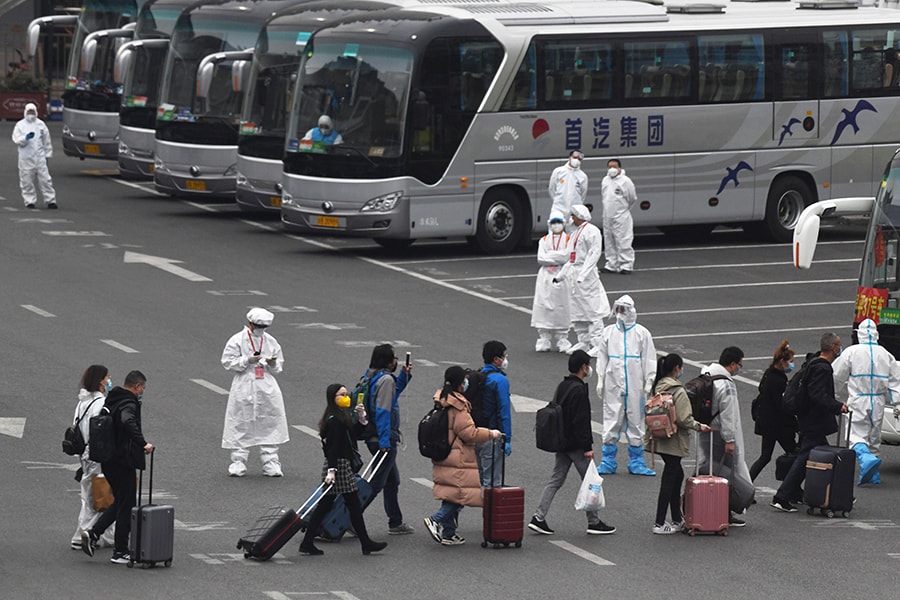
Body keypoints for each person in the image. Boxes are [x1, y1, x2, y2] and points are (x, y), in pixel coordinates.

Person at [527, 350, 616, 536]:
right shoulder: (579, 389)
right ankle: (594, 521)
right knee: (591, 481)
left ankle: (538, 516)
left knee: (555, 480)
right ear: (584, 367)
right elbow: (581, 422)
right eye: (588, 365)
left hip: (561, 442)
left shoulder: (563, 385)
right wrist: (587, 448)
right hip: (575, 445)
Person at [298, 384, 387, 556]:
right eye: (342, 394)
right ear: (333, 398)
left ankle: (308, 542)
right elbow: (333, 448)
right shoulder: (334, 420)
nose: (346, 397)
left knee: (331, 505)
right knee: (350, 505)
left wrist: (362, 418)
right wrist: (332, 470)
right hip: (339, 466)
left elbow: (352, 435)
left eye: (347, 394)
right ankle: (365, 543)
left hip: (339, 465)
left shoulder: (339, 416)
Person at [423, 366, 503, 546]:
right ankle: (436, 520)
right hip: (458, 456)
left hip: (445, 453)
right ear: (461, 382)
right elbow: (470, 433)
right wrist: (491, 433)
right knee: (459, 495)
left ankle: (449, 533)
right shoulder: (458, 407)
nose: (467, 382)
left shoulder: (442, 399)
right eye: (465, 379)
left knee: (451, 492)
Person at [771, 333, 849, 512]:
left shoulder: (813, 363)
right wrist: (838, 406)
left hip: (808, 419)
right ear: (833, 348)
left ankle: (836, 495)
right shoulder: (822, 368)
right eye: (839, 345)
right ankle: (782, 496)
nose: (840, 348)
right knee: (806, 458)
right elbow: (818, 395)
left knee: (816, 456)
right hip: (814, 421)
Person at [81, 370, 153, 564]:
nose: (142, 392)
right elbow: (127, 421)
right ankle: (121, 551)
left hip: (108, 458)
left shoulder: (112, 399)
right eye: (142, 388)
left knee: (121, 501)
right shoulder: (129, 402)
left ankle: (93, 533)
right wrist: (143, 443)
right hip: (123, 460)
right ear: (137, 386)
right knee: (127, 504)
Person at [645, 354, 711, 534]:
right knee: (669, 479)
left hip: (659, 437)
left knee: (676, 475)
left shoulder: (658, 386)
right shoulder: (677, 390)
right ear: (676, 368)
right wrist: (699, 426)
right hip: (673, 440)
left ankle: (676, 518)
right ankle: (659, 523)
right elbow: (683, 418)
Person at [221, 308, 289, 478]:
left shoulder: (271, 341)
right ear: (250, 323)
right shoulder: (237, 340)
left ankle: (271, 461)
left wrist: (272, 364)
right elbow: (227, 361)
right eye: (258, 325)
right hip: (245, 382)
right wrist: (246, 360)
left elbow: (279, 366)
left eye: (263, 326)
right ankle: (238, 461)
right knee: (240, 420)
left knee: (270, 421)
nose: (260, 329)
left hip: (266, 384)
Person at [832, 319, 900, 485]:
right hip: (878, 401)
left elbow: (836, 375)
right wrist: (897, 403)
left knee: (855, 436)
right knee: (874, 436)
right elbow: (896, 381)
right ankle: (872, 474)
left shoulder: (852, 352)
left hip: (858, 400)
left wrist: (832, 396)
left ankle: (866, 460)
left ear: (860, 334)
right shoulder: (886, 354)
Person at [595, 295, 657, 476]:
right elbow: (602, 358)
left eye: (624, 309)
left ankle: (636, 460)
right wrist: (600, 380)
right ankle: (608, 459)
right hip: (613, 384)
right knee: (611, 418)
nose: (621, 313)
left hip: (636, 384)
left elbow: (649, 358)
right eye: (619, 309)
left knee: (636, 420)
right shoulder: (608, 332)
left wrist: (649, 381)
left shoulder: (641, 333)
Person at [698, 346, 754, 527]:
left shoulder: (705, 374)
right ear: (731, 364)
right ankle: (724, 512)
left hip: (705, 432)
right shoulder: (726, 384)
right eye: (739, 365)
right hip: (721, 436)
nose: (739, 369)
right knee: (725, 477)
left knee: (707, 470)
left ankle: (703, 507)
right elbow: (728, 415)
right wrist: (730, 440)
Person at [362, 343, 415, 535]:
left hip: (373, 436)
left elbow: (390, 397)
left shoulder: (371, 375)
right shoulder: (385, 380)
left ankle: (395, 521)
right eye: (394, 358)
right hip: (382, 439)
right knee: (377, 483)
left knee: (392, 480)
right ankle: (353, 516)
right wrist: (385, 442)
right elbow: (384, 411)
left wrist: (404, 376)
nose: (397, 360)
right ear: (387, 360)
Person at [554, 204, 610, 354]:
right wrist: (560, 276)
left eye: (573, 215)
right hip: (575, 273)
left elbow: (594, 253)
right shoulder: (575, 233)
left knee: (592, 308)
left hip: (586, 276)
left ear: (580, 216)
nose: (571, 218)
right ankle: (583, 341)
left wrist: (584, 274)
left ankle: (598, 343)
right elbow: (571, 259)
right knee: (577, 309)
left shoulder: (592, 231)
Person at [70, 365, 115, 551]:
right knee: (98, 496)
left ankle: (95, 534)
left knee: (90, 494)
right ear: (100, 381)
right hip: (96, 455)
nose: (109, 379)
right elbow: (101, 430)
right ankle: (84, 534)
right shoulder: (99, 403)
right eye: (107, 377)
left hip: (84, 454)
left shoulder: (82, 402)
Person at [748, 340, 798, 481]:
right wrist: (795, 425)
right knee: (795, 455)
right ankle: (792, 488)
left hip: (767, 424)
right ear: (782, 361)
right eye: (791, 361)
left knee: (765, 457)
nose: (792, 365)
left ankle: (746, 486)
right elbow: (782, 407)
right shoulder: (778, 381)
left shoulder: (769, 374)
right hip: (778, 426)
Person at [531, 210, 571, 353]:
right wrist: (557, 257)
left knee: (562, 305)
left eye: (558, 222)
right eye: (553, 222)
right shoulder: (543, 240)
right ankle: (544, 338)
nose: (556, 225)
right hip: (546, 277)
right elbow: (541, 258)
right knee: (544, 305)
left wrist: (552, 256)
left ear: (563, 223)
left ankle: (562, 338)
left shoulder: (568, 239)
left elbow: (567, 257)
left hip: (562, 274)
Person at [475, 340, 512, 488]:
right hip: (492, 435)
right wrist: (506, 438)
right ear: (496, 359)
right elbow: (504, 411)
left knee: (477, 479)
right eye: (504, 356)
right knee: (492, 483)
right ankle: (490, 511)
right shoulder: (499, 380)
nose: (505, 360)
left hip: (474, 433)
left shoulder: (476, 376)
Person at [11, 102, 57, 209]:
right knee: (26, 180)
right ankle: (29, 201)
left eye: (32, 112)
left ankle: (50, 200)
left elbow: (47, 141)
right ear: (25, 112)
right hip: (25, 158)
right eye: (29, 112)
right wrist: (25, 139)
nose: (31, 114)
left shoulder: (41, 125)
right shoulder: (20, 125)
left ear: (36, 112)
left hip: (40, 157)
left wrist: (47, 155)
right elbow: (16, 139)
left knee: (45, 180)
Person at [600, 158, 636, 274]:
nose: (612, 169)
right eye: (610, 166)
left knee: (623, 240)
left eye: (614, 166)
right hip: (607, 216)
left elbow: (632, 198)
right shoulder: (605, 180)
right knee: (609, 240)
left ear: (619, 168)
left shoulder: (626, 181)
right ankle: (611, 264)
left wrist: (623, 210)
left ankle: (626, 265)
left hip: (621, 216)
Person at [548, 149, 588, 227]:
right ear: (569, 157)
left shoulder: (583, 176)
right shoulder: (558, 171)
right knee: (555, 232)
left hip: (574, 212)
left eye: (579, 159)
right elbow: (551, 189)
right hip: (558, 208)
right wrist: (557, 200)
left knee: (572, 235)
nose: (576, 160)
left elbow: (583, 195)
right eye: (575, 157)